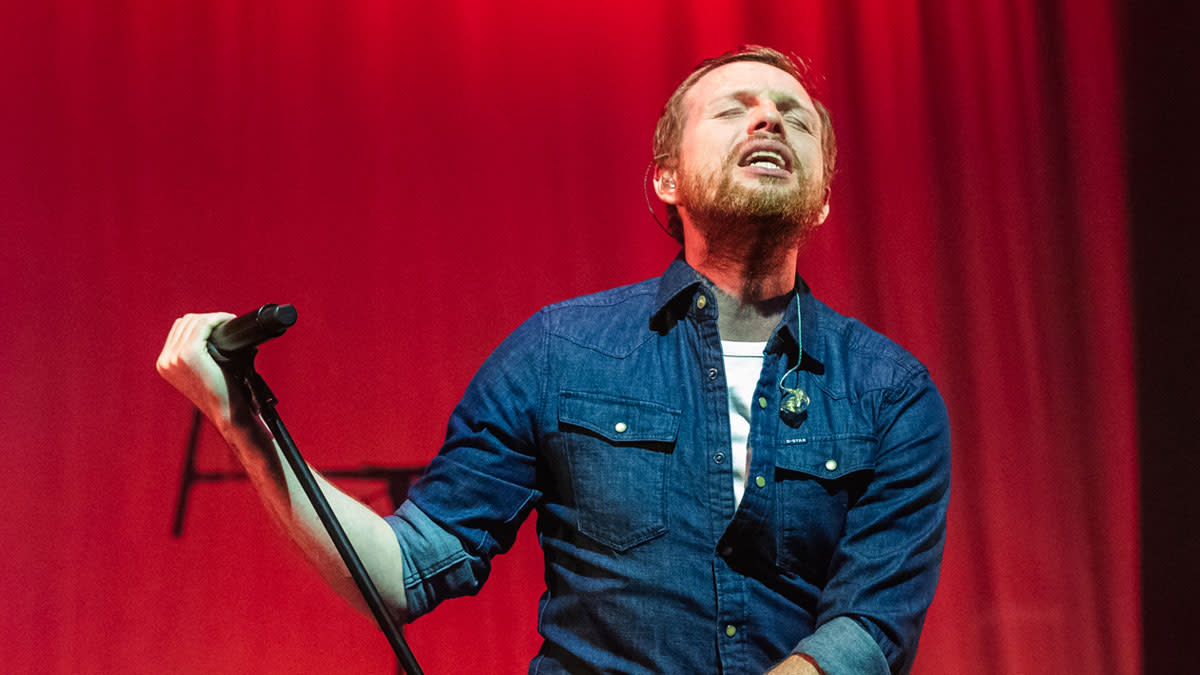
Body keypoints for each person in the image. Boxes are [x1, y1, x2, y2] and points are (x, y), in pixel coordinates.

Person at [158, 46, 950, 675]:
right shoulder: (559, 351)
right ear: (667, 178)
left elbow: (870, 630)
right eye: (735, 110)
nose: (769, 121)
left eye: (794, 118)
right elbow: (402, 571)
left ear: (820, 198)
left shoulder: (891, 392)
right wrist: (249, 431)